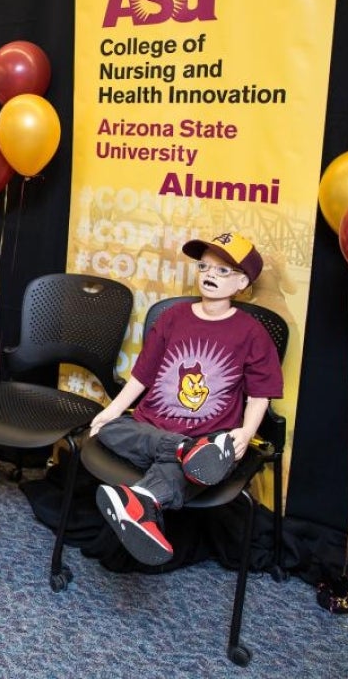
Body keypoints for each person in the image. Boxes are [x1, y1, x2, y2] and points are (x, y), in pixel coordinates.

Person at [88, 232, 284, 566]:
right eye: (205, 267)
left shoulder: (252, 332)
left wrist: (246, 434)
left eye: (223, 271)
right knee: (109, 431)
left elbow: (260, 394)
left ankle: (142, 501)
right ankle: (180, 451)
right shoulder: (173, 318)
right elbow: (141, 376)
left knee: (208, 463)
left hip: (208, 438)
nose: (210, 275)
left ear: (242, 282)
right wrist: (112, 410)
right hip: (151, 429)